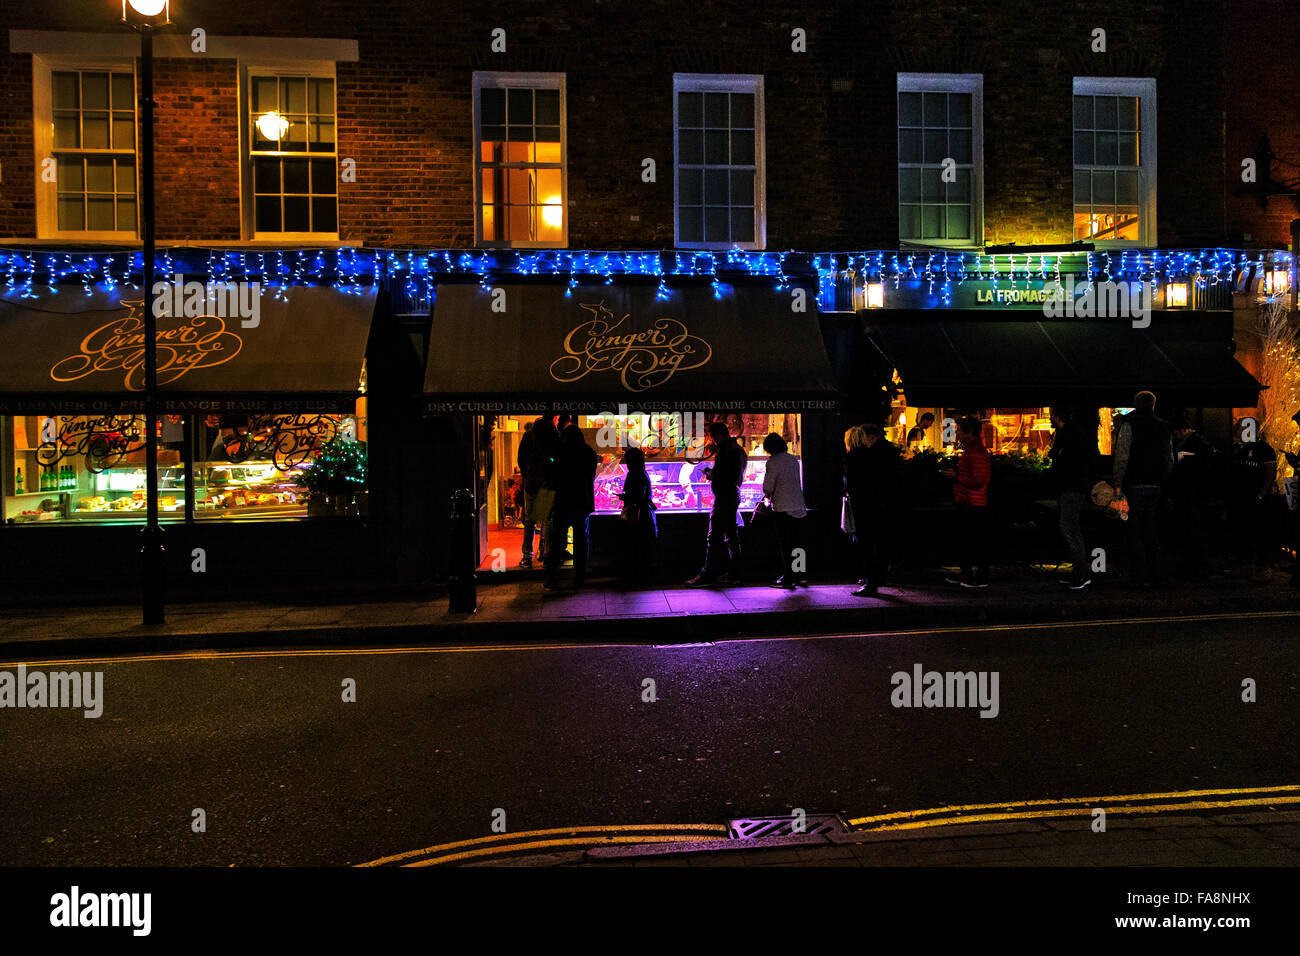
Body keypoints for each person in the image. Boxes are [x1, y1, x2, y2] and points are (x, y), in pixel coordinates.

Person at [1112, 390, 1173, 588]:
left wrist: (1117, 484)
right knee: (1151, 529)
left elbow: (1122, 456)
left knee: (1134, 529)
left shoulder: (1129, 424)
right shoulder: (1164, 426)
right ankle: (1157, 574)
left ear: (1135, 404)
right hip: (1156, 484)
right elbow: (1169, 458)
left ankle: (1139, 574)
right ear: (1153, 405)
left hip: (1134, 483)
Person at [685, 421, 748, 586]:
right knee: (732, 537)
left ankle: (708, 574)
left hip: (724, 496)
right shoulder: (739, 450)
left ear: (718, 434)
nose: (712, 441)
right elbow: (736, 475)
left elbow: (721, 475)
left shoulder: (725, 451)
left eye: (712, 437)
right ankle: (735, 574)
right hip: (732, 494)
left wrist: (710, 474)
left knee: (714, 537)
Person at [846, 423, 901, 596]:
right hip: (882, 504)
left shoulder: (862, 455)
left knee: (868, 544)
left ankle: (871, 582)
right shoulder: (885, 452)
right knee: (880, 543)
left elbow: (854, 483)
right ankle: (877, 577)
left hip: (867, 505)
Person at [1048, 407, 1098, 589]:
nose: (1050, 418)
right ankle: (1078, 572)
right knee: (1071, 529)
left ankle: (1081, 574)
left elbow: (1058, 455)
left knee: (1069, 529)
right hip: (1073, 487)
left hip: (1071, 487)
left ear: (1056, 416)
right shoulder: (1074, 431)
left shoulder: (1068, 433)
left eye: (1051, 414)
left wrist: (1057, 453)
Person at [545, 423, 599, 590]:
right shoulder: (589, 453)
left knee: (557, 541)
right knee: (581, 541)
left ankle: (552, 576)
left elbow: (553, 476)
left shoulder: (560, 453)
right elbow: (591, 475)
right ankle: (579, 576)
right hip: (582, 501)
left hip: (562, 501)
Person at [940, 416, 992, 588]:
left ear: (968, 431)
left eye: (959, 431)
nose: (956, 434)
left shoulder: (976, 451)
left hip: (974, 503)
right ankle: (967, 574)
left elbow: (979, 480)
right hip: (967, 501)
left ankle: (978, 578)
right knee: (967, 541)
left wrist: (956, 476)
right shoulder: (972, 450)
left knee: (974, 542)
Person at [1225, 417, 1279, 581]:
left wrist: (1262, 493)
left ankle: (1263, 568)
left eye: (1241, 428)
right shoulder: (1237, 449)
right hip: (1240, 498)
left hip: (1257, 499)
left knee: (1260, 533)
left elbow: (1270, 475)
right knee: (1242, 532)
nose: (1238, 431)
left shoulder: (1264, 449)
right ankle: (1246, 566)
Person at [1166, 412, 1215, 582]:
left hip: (1191, 494)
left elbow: (1203, 468)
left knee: (1193, 530)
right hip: (1190, 494)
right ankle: (1194, 567)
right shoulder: (1197, 443)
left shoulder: (1198, 445)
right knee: (1192, 531)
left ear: (1182, 430)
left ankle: (1196, 567)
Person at [760, 432, 807, 589]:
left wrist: (766, 495)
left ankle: (788, 578)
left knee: (785, 544)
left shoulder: (773, 462)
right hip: (799, 505)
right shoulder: (793, 460)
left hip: (783, 508)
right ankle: (800, 576)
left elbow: (768, 487)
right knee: (798, 543)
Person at [518, 417, 559, 568]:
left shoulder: (529, 436)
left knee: (530, 521)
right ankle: (546, 554)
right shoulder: (551, 436)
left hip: (531, 482)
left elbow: (520, 458)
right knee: (546, 520)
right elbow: (557, 459)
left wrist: (526, 473)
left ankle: (527, 556)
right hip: (546, 482)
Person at [616, 446, 657, 582]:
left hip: (639, 515)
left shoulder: (634, 473)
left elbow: (637, 495)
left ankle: (636, 576)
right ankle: (644, 575)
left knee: (636, 545)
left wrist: (624, 497)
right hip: (645, 514)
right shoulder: (642, 472)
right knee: (644, 546)